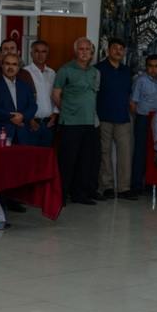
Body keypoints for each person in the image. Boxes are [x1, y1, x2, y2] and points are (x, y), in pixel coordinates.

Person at [53, 37, 101, 205]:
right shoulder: (65, 70)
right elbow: (56, 95)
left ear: (92, 52)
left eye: (87, 49)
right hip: (70, 123)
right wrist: (68, 111)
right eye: (81, 49)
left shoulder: (95, 72)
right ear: (75, 51)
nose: (85, 52)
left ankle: (78, 194)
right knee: (67, 161)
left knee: (85, 161)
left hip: (90, 123)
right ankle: (60, 195)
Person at [96, 39, 135, 200]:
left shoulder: (127, 71)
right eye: (115, 48)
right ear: (108, 50)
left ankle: (124, 188)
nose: (118, 51)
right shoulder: (98, 69)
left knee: (125, 153)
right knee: (104, 153)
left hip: (122, 118)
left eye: (121, 49)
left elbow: (129, 94)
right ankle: (107, 187)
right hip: (103, 117)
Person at [129, 54, 157, 195]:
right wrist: (138, 118)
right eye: (150, 66)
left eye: (156, 66)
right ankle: (136, 185)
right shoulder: (140, 81)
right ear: (146, 67)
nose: (153, 69)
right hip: (143, 119)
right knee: (140, 152)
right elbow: (132, 102)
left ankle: (151, 183)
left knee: (155, 152)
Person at [0, 54, 38, 146]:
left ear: (18, 67)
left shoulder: (26, 86)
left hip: (23, 133)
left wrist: (22, 116)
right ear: (2, 66)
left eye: (14, 64)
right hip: (2, 133)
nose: (10, 67)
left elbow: (33, 106)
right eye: (7, 64)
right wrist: (12, 117)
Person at [24, 39, 59, 147]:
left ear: (47, 54)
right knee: (31, 154)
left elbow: (56, 95)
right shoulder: (24, 72)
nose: (40, 54)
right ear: (31, 54)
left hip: (49, 123)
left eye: (43, 51)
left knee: (46, 155)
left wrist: (55, 115)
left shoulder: (52, 73)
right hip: (32, 123)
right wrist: (28, 117)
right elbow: (21, 98)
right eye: (37, 51)